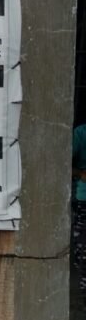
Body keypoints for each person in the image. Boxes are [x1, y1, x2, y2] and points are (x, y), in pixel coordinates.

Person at [73, 124, 86, 307]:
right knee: (82, 255)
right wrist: (81, 174)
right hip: (84, 201)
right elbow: (60, 161)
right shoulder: (81, 133)